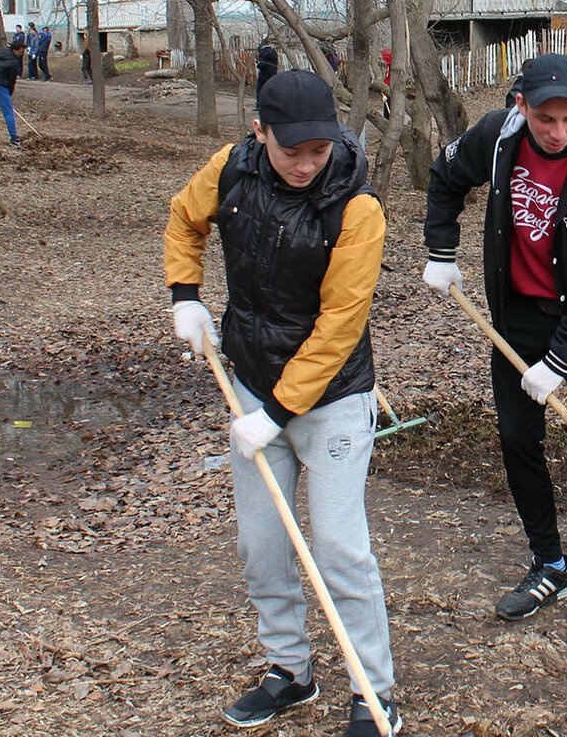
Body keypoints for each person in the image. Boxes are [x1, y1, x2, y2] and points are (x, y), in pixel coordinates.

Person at [164, 69, 398, 736]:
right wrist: (185, 296)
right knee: (262, 543)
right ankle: (290, 670)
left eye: (318, 150)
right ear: (259, 131)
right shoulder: (231, 170)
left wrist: (276, 413)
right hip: (252, 381)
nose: (305, 164)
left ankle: (374, 690)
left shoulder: (357, 209)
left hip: (332, 401)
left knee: (340, 549)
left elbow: (340, 325)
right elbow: (183, 220)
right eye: (291, 150)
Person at [422, 53, 567, 659]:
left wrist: (561, 362)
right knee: (519, 441)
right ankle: (549, 563)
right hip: (519, 320)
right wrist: (441, 251)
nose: (559, 131)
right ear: (522, 106)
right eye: (546, 119)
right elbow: (445, 175)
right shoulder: (499, 137)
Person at [255, 38, 278, 105]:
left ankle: (259, 104)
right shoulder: (274, 52)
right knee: (272, 88)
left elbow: (262, 64)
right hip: (273, 73)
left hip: (264, 73)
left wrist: (258, 65)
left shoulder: (263, 51)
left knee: (260, 88)